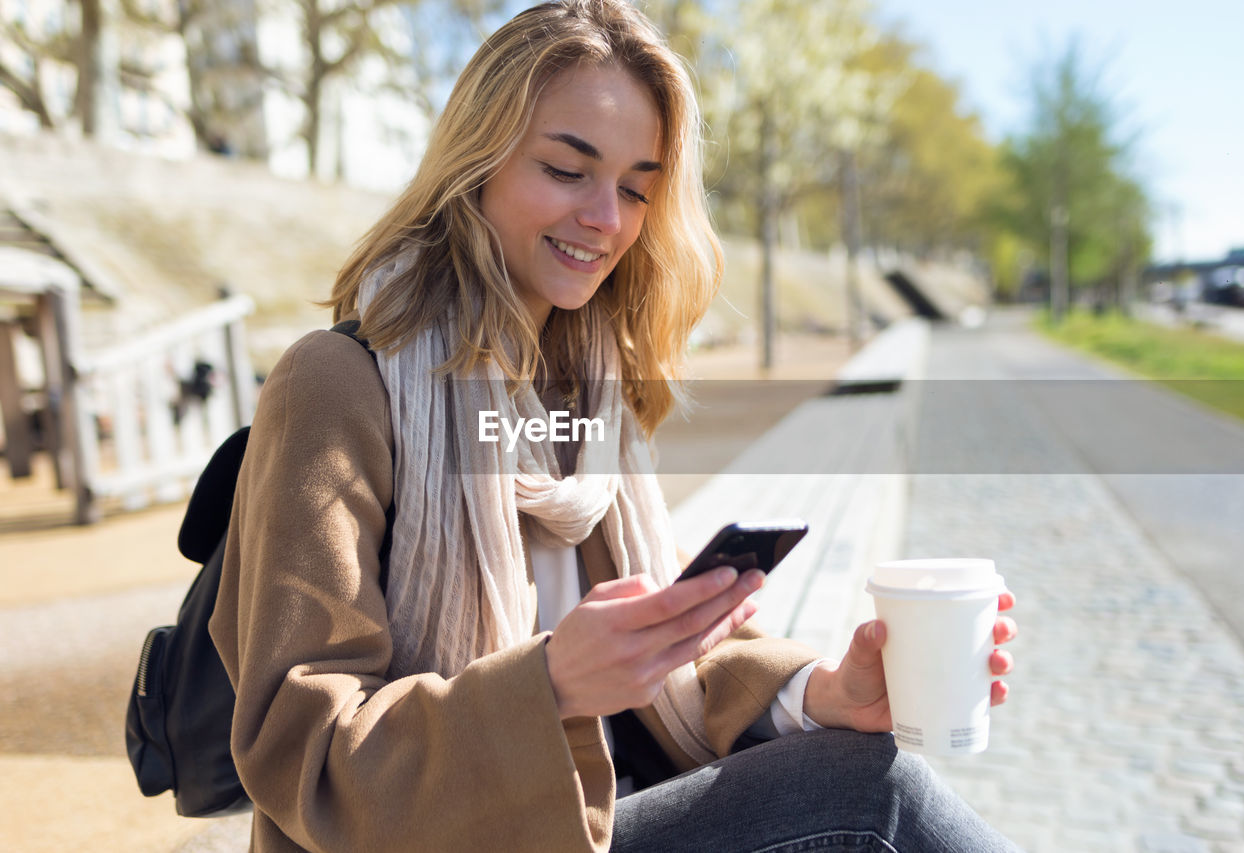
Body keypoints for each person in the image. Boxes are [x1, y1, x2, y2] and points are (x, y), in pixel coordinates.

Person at [209, 1, 1020, 850]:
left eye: (637, 187)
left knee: (864, 752)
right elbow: (300, 749)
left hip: (610, 813)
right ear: (474, 161)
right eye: (567, 169)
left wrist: (819, 691)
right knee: (872, 799)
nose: (607, 218)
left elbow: (675, 657)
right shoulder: (337, 385)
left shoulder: (593, 392)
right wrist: (549, 684)